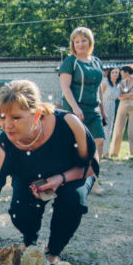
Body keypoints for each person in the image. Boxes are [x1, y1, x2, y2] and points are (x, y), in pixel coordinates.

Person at [0, 80, 99, 265]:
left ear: (37, 114)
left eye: (16, 118)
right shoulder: (1, 149)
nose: (7, 125)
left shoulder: (69, 123)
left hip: (73, 174)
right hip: (31, 177)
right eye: (2, 117)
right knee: (20, 210)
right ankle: (29, 242)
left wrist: (61, 179)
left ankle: (52, 253)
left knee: (72, 200)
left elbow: (92, 165)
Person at [58, 26, 106, 194]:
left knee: (99, 141)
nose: (80, 44)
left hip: (93, 109)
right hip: (74, 109)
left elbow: (99, 87)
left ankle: (93, 180)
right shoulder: (70, 62)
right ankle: (69, 178)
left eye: (83, 40)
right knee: (74, 144)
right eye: (76, 41)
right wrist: (75, 108)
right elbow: (65, 87)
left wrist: (103, 109)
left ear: (90, 42)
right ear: (73, 44)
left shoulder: (96, 62)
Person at [109, 65, 133, 159]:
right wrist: (130, 95)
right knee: (118, 129)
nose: (120, 74)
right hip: (122, 106)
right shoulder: (121, 82)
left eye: (122, 72)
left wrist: (126, 95)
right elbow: (119, 96)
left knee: (132, 130)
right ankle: (114, 153)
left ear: (127, 72)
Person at [100, 68, 122, 158]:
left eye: (116, 72)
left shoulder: (119, 86)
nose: (114, 74)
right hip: (103, 105)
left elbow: (120, 96)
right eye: (112, 72)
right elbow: (100, 96)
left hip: (112, 106)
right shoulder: (105, 82)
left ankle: (106, 152)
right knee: (102, 128)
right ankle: (98, 151)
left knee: (108, 129)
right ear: (109, 74)